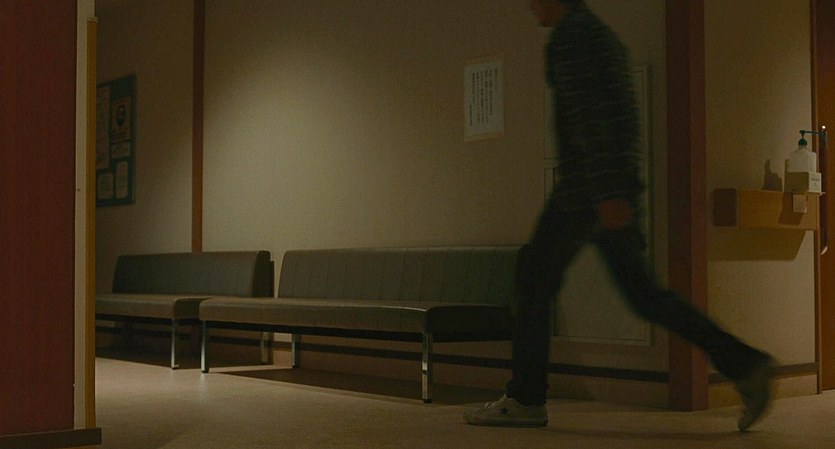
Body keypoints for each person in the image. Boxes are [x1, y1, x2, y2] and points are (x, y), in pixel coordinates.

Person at [464, 0, 774, 431]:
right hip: (605, 186)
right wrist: (620, 189)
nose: (530, 6)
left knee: (533, 283)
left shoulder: (573, 37)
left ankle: (525, 397)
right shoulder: (597, 34)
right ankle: (745, 364)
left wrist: (608, 192)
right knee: (644, 295)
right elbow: (621, 118)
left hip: (584, 190)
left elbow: (592, 122)